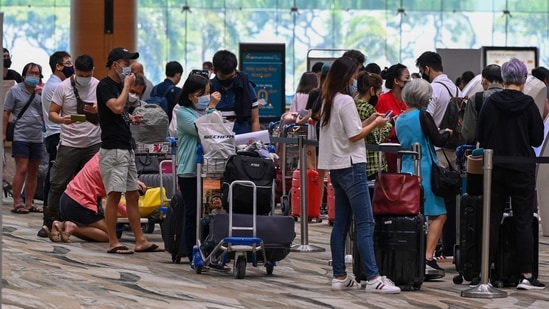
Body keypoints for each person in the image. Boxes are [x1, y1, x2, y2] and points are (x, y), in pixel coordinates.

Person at [317, 56, 400, 293]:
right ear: (346, 77)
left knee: (341, 224)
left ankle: (340, 276)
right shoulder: (345, 101)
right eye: (354, 76)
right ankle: (373, 278)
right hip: (353, 165)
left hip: (337, 166)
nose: (356, 80)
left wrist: (369, 120)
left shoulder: (328, 100)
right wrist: (375, 125)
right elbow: (354, 136)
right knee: (365, 223)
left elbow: (347, 131)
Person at [477, 57, 545, 290]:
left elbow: (482, 135)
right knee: (524, 220)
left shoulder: (490, 102)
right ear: (524, 79)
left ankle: (485, 272)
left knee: (492, 219)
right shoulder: (528, 105)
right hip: (522, 168)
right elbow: (537, 138)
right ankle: (526, 275)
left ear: (503, 79)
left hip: (494, 167)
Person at [96, 47, 162, 254]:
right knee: (114, 195)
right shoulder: (105, 86)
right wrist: (126, 86)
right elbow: (115, 107)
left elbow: (119, 112)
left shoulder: (118, 86)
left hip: (126, 146)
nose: (129, 68)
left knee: (133, 195)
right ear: (115, 65)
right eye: (126, 64)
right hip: (113, 149)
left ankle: (140, 240)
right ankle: (113, 241)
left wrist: (130, 118)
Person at [395, 78, 452, 278]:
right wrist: (447, 133)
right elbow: (437, 139)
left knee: (414, 214)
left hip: (407, 168)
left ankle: (416, 255)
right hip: (426, 168)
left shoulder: (399, 118)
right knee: (439, 215)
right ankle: (428, 257)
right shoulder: (422, 115)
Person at [47, 54, 102, 233]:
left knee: (93, 186)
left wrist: (98, 109)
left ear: (93, 70)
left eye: (87, 75)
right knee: (58, 183)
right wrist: (63, 120)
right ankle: (49, 221)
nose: (84, 79)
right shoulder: (63, 87)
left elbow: (112, 111)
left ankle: (89, 221)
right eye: (81, 75)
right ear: (75, 71)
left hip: (94, 143)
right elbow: (52, 113)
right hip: (69, 143)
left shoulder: (99, 86)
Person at [42, 152, 147, 243]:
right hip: (80, 205)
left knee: (100, 229)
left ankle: (60, 225)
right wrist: (131, 215)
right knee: (110, 234)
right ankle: (72, 227)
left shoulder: (99, 156)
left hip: (66, 198)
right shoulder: (112, 166)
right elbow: (114, 199)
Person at [416, 51, 461, 258]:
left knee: (436, 202)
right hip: (454, 149)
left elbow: (427, 118)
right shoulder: (455, 87)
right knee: (451, 199)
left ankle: (433, 248)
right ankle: (449, 244)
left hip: (437, 151)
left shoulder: (434, 88)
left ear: (426, 68)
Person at [176, 74, 221, 264]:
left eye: (208, 93)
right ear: (190, 95)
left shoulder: (209, 112)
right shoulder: (182, 112)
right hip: (189, 170)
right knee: (192, 212)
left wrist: (211, 110)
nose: (207, 97)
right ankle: (190, 249)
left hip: (209, 169)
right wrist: (211, 108)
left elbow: (218, 130)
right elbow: (202, 130)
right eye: (202, 94)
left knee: (210, 210)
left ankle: (210, 248)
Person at [37, 51, 73, 237]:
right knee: (56, 178)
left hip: (56, 133)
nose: (70, 66)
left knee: (56, 177)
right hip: (57, 134)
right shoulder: (55, 86)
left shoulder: (56, 84)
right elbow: (65, 111)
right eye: (67, 63)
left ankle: (55, 218)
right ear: (58, 66)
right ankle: (50, 219)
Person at [3, 62, 44, 214]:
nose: (33, 76)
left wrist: (43, 95)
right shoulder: (15, 91)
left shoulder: (41, 93)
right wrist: (3, 133)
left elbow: (45, 114)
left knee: (34, 171)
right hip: (21, 135)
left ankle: (29, 202)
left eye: (36, 74)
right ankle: (17, 202)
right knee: (22, 169)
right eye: (31, 73)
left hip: (37, 136)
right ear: (24, 74)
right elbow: (6, 112)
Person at [210, 50, 259, 134]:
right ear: (214, 71)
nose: (227, 80)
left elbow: (255, 120)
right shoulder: (208, 87)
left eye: (231, 76)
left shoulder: (246, 87)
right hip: (216, 138)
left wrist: (254, 140)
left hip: (242, 138)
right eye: (223, 77)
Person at [354, 71, 392, 179]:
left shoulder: (353, 104)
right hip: (373, 164)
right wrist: (389, 124)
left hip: (358, 160)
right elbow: (377, 137)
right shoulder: (368, 108)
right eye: (379, 93)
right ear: (371, 90)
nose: (378, 97)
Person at [375, 63, 410, 173]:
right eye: (407, 78)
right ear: (396, 81)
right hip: (388, 150)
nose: (410, 82)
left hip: (407, 148)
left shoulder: (409, 101)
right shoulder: (382, 100)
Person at [461, 64, 503, 145]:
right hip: (510, 151)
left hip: (483, 151)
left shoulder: (475, 99)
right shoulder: (513, 98)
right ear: (503, 81)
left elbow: (469, 135)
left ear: (484, 80)